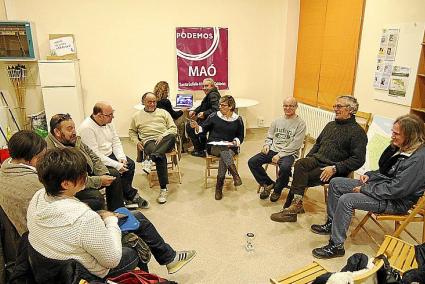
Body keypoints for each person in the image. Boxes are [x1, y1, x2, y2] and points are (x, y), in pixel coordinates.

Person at [27, 148, 196, 279]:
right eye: (82, 175)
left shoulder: (38, 196)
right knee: (134, 245)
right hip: (83, 273)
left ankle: (170, 258)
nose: (86, 177)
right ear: (65, 184)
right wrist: (110, 221)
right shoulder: (83, 218)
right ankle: (148, 274)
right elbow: (112, 260)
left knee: (135, 217)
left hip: (51, 263)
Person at [311, 114, 425, 259]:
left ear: (410, 135)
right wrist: (370, 175)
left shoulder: (418, 160)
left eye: (396, 133)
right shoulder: (403, 147)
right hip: (382, 186)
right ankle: (332, 223)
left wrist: (365, 189)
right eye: (393, 132)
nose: (393, 136)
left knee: (347, 200)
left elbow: (396, 189)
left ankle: (336, 245)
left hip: (396, 201)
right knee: (336, 183)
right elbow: (386, 171)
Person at [270, 95, 368, 223]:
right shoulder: (330, 125)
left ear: (351, 110)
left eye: (339, 106)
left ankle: (291, 209)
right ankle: (295, 206)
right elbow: (317, 144)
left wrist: (335, 168)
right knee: (300, 164)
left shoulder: (358, 133)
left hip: (334, 167)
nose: (335, 109)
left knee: (303, 177)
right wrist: (310, 158)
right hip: (318, 159)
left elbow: (358, 160)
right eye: (335, 106)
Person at [46, 113, 124, 211]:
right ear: (57, 132)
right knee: (96, 197)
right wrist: (98, 181)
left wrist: (103, 173)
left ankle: (118, 211)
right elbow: (70, 180)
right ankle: (98, 220)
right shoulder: (52, 152)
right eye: (70, 129)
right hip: (71, 184)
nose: (74, 132)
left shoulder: (73, 140)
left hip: (84, 172)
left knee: (113, 174)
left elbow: (93, 156)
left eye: (74, 127)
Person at [78, 102, 149, 209]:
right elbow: (95, 155)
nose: (112, 117)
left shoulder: (108, 122)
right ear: (99, 115)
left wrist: (121, 158)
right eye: (109, 115)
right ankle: (129, 196)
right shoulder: (86, 128)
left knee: (129, 165)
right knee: (115, 173)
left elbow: (115, 140)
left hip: (109, 154)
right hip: (97, 161)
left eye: (112, 113)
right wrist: (116, 165)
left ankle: (124, 195)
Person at [248, 97, 306, 202]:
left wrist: (280, 155)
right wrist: (267, 145)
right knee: (252, 162)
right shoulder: (277, 121)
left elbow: (296, 144)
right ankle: (268, 183)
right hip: (273, 149)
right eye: (285, 106)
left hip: (289, 153)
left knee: (284, 167)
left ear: (296, 107)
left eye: (291, 106)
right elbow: (270, 136)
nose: (288, 108)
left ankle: (277, 190)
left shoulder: (300, 123)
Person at [190, 95, 244, 200]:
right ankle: (235, 175)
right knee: (224, 151)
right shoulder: (214, 116)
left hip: (230, 146)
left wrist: (234, 142)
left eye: (223, 105)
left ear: (231, 106)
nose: (220, 107)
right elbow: (203, 129)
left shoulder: (238, 119)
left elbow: (240, 137)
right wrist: (197, 127)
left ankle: (218, 187)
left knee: (225, 154)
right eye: (219, 105)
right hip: (214, 146)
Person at [129, 92, 177, 204]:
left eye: (154, 101)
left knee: (171, 136)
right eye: (149, 101)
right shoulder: (136, 116)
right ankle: (163, 189)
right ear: (143, 102)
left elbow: (173, 128)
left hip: (164, 139)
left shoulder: (163, 113)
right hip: (149, 141)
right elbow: (132, 132)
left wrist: (163, 135)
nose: (152, 104)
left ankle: (150, 159)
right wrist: (136, 141)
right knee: (160, 157)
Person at [0, 130, 46, 236]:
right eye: (41, 157)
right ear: (29, 158)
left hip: (12, 239)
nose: (43, 161)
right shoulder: (35, 186)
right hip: (33, 239)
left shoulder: (4, 170)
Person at [186, 78, 221, 157]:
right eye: (203, 86)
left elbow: (216, 109)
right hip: (209, 119)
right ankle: (202, 148)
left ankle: (200, 150)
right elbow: (203, 105)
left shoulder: (213, 95)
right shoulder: (212, 93)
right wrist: (195, 111)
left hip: (211, 121)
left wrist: (204, 113)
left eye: (206, 86)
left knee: (190, 127)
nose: (204, 88)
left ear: (212, 86)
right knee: (192, 125)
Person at [153, 81, 189, 151]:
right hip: (166, 124)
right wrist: (182, 110)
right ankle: (181, 145)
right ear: (166, 91)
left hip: (157, 123)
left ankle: (183, 141)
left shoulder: (153, 100)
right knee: (182, 122)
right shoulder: (166, 101)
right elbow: (175, 115)